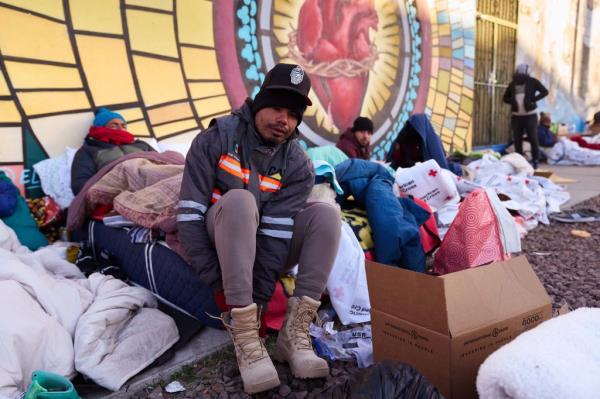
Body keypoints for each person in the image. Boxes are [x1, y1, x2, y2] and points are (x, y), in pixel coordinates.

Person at [177, 63, 341, 394]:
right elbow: (190, 216)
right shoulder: (215, 139)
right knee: (239, 201)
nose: (285, 120)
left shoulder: (297, 163)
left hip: (263, 250)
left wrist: (262, 296)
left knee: (327, 214)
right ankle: (246, 338)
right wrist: (217, 281)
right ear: (258, 102)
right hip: (220, 241)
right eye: (277, 108)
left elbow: (276, 236)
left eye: (293, 114)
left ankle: (293, 335)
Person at [70, 108, 155, 195]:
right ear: (100, 128)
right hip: (121, 194)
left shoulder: (141, 144)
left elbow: (163, 161)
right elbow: (80, 185)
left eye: (123, 126)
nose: (120, 129)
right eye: (114, 125)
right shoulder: (88, 150)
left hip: (154, 184)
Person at [503, 64, 549, 169]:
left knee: (533, 137)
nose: (521, 74)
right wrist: (513, 102)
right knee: (517, 139)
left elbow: (545, 92)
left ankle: (535, 160)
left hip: (530, 115)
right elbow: (505, 98)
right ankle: (520, 160)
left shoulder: (532, 82)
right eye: (519, 72)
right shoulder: (513, 84)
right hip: (516, 116)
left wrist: (533, 100)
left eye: (522, 72)